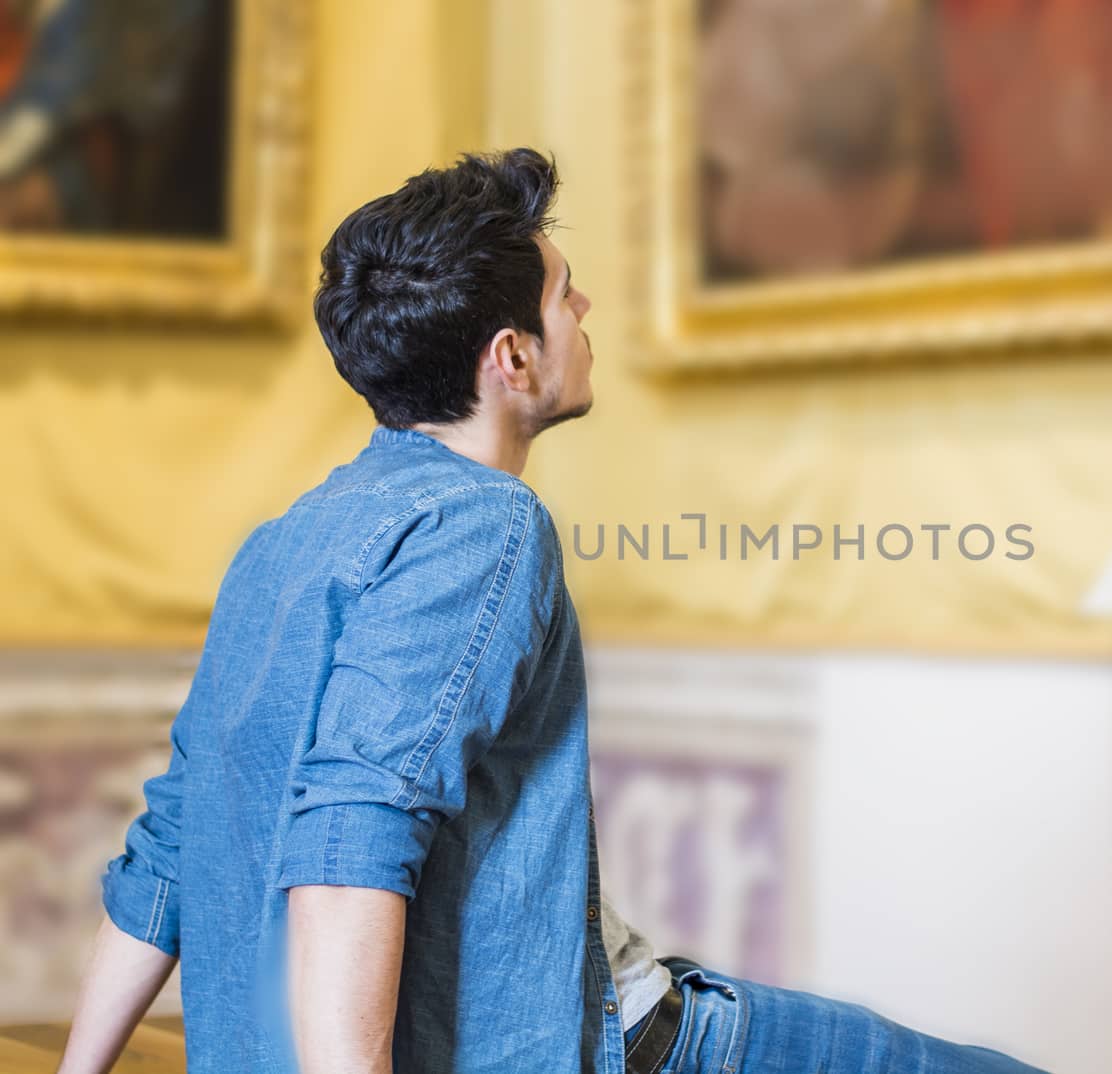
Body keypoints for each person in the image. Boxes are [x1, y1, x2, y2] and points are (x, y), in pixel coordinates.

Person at [57, 148, 1052, 1074]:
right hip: (615, 1042)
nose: (586, 307)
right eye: (563, 293)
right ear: (513, 358)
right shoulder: (485, 523)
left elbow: (170, 845)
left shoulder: (287, 538)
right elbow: (350, 844)